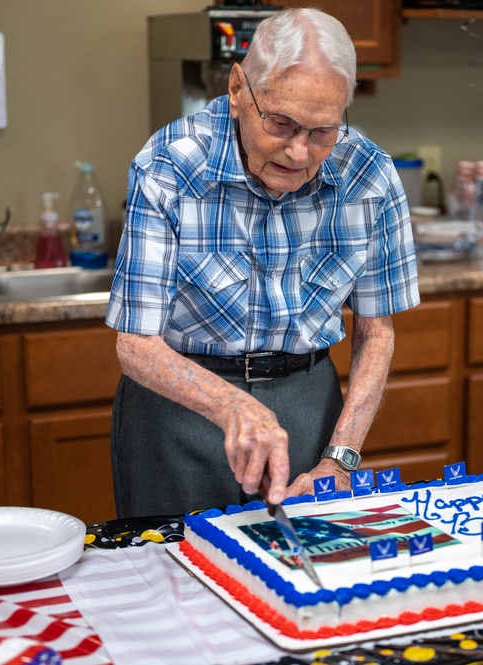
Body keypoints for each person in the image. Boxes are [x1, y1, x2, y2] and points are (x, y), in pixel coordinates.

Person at [105, 8, 420, 518]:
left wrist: (340, 459)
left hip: (308, 404)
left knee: (305, 577)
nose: (299, 152)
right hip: (179, 412)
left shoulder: (370, 176)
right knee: (175, 578)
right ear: (237, 89)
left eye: (323, 132)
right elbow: (136, 345)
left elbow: (376, 333)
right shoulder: (170, 164)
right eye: (281, 123)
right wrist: (232, 404)